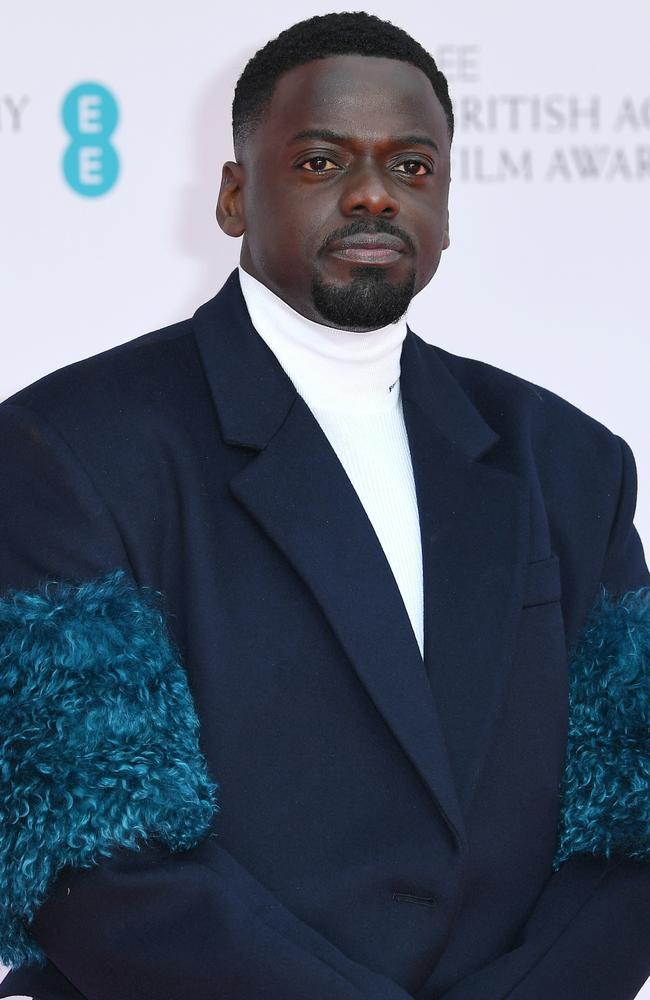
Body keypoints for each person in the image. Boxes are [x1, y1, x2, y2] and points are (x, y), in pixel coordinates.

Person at [1, 11, 649, 1000]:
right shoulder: (67, 448)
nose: (370, 194)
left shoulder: (566, 461)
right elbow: (88, 852)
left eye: (412, 167)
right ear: (230, 194)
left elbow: (631, 832)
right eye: (317, 161)